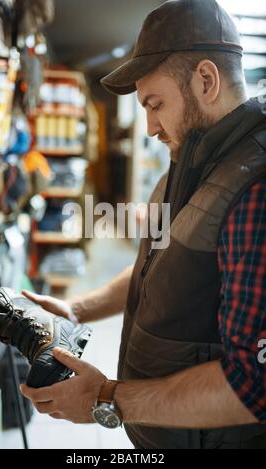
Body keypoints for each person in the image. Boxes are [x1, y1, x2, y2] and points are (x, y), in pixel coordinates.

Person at [20, 0, 266, 449]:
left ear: (206, 81)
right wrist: (78, 309)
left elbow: (253, 387)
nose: (150, 126)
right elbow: (157, 265)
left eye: (155, 104)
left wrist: (107, 397)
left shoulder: (255, 189)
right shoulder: (188, 162)